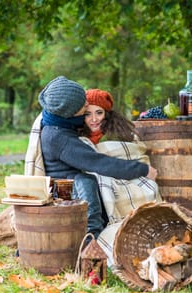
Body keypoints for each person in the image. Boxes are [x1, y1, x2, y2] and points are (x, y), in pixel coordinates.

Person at [26, 76, 158, 240]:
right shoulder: (59, 137)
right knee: (86, 182)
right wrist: (142, 169)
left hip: (73, 177)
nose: (87, 103)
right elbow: (98, 162)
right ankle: (92, 239)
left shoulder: (55, 119)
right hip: (65, 188)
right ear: (71, 112)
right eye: (83, 105)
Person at [79, 88, 162, 264]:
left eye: (99, 113)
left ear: (107, 114)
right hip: (101, 179)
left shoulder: (117, 134)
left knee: (148, 188)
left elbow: (131, 155)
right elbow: (94, 164)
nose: (93, 119)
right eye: (88, 114)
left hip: (127, 177)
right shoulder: (79, 138)